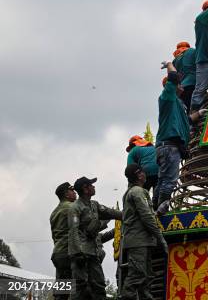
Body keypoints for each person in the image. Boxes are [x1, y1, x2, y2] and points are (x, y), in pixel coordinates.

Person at [68, 177, 122, 300]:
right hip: (80, 254)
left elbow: (110, 212)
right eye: (91, 185)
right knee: (80, 288)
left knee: (99, 286)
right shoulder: (75, 208)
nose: (94, 187)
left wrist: (127, 215)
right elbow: (73, 231)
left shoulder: (94, 205)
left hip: (93, 253)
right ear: (85, 189)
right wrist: (77, 253)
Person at [121, 164, 169, 300]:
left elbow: (144, 215)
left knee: (146, 277)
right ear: (139, 175)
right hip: (138, 241)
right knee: (137, 276)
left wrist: (157, 212)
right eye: (142, 171)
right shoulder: (137, 192)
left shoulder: (133, 192)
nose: (145, 174)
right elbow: (146, 217)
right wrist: (160, 238)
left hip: (141, 240)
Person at [155, 61, 190, 210]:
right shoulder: (167, 97)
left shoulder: (177, 104)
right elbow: (174, 76)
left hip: (168, 147)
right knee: (169, 181)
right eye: (179, 84)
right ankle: (161, 210)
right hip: (169, 147)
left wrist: (199, 114)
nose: (182, 85)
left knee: (163, 180)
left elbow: (186, 121)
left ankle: (155, 207)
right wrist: (170, 65)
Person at [50, 182, 76, 300]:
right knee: (77, 289)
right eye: (72, 190)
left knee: (61, 292)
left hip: (58, 253)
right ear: (66, 194)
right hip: (68, 252)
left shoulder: (54, 212)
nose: (74, 192)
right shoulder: (70, 207)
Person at [172, 41, 196, 110]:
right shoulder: (192, 51)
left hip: (181, 88)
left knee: (188, 109)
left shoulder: (175, 60)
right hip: (193, 83)